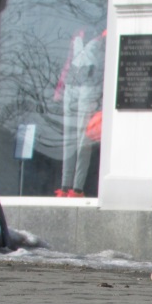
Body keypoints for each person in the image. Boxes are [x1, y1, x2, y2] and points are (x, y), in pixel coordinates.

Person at [54, 28, 106, 198]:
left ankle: (77, 187)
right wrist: (60, 88)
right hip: (71, 86)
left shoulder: (104, 36)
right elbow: (69, 61)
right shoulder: (77, 34)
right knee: (69, 138)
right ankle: (64, 185)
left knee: (83, 139)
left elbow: (107, 64)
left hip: (90, 86)